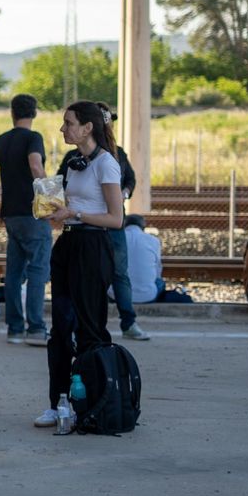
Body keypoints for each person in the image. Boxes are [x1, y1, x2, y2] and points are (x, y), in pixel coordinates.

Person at [34, 100, 124, 428]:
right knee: (60, 327)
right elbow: (70, 204)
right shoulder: (75, 163)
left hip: (92, 246)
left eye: (68, 123)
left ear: (87, 127)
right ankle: (58, 402)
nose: (63, 129)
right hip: (68, 244)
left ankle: (93, 403)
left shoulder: (106, 164)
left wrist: (76, 213)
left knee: (90, 328)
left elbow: (116, 219)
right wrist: (51, 207)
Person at [0, 93, 50, 346]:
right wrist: (51, 197)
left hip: (10, 215)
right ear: (34, 113)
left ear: (12, 113)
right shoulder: (33, 138)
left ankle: (15, 328)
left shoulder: (2, 140)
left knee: (15, 272)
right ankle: (36, 328)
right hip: (33, 213)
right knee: (38, 270)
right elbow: (35, 165)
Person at [90, 104, 148, 340]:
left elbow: (131, 179)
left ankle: (128, 322)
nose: (110, 125)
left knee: (119, 273)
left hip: (114, 223)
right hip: (90, 226)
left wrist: (124, 192)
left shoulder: (118, 153)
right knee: (93, 276)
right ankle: (92, 325)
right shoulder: (77, 156)